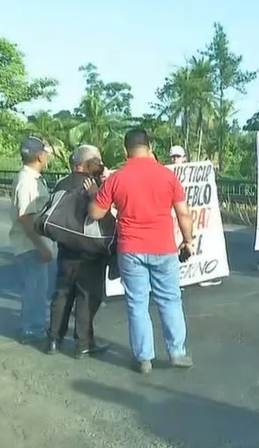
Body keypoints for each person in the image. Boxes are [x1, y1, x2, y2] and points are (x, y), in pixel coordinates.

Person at [89, 129, 195, 372]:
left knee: (137, 303)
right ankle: (177, 352)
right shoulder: (167, 176)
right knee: (169, 299)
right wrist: (188, 241)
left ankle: (144, 357)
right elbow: (183, 214)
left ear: (126, 151)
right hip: (164, 248)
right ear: (150, 148)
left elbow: (95, 213)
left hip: (130, 249)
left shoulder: (117, 178)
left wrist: (94, 194)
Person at [44, 145, 111, 359]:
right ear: (90, 164)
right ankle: (83, 344)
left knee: (62, 294)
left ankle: (54, 339)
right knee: (87, 296)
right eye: (98, 161)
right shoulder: (97, 186)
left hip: (66, 249)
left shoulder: (61, 183)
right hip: (91, 251)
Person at [9, 136, 56, 343]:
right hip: (30, 245)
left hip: (33, 243)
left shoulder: (32, 178)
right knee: (34, 289)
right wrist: (41, 246)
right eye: (45, 153)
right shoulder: (27, 182)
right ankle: (31, 329)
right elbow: (25, 218)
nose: (47, 157)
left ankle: (35, 326)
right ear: (39, 155)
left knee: (37, 288)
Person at [169, 144, 222, 287]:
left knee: (197, 243)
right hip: (175, 218)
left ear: (184, 158)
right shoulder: (167, 173)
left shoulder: (192, 172)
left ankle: (202, 273)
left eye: (178, 156)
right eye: (173, 157)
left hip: (194, 216)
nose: (175, 160)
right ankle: (180, 277)